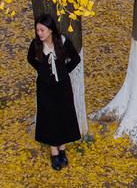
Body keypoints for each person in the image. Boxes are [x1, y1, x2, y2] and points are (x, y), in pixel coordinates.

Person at [27, 13, 82, 170]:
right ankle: (54, 154)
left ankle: (62, 151)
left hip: (62, 87)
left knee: (63, 115)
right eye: (37, 30)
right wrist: (42, 71)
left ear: (50, 29)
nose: (39, 33)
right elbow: (30, 59)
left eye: (42, 30)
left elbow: (76, 59)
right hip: (45, 88)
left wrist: (64, 72)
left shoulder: (63, 42)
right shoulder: (36, 45)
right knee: (50, 117)